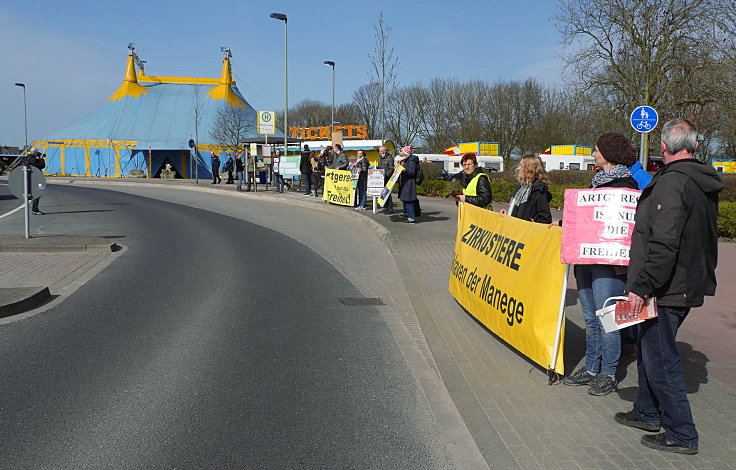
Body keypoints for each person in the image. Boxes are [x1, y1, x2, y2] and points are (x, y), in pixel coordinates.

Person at [614, 119, 722, 455]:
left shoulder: (673, 183)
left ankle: (682, 433)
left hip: (668, 285)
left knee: (661, 358)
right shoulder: (700, 180)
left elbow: (663, 242)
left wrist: (641, 287)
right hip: (685, 280)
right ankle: (647, 412)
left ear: (663, 147)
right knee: (651, 351)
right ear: (696, 146)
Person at [562, 132, 638, 396]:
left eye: (596, 150)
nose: (593, 155)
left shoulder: (628, 186)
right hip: (586, 261)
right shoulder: (596, 184)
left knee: (608, 319)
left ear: (608, 153)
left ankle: (609, 373)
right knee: (590, 318)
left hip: (609, 266)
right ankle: (592, 368)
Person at [500, 154, 552, 223]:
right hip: (514, 230)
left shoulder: (538, 189)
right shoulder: (521, 185)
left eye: (521, 166)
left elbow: (544, 218)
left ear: (529, 169)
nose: (518, 168)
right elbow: (518, 210)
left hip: (526, 232)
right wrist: (508, 213)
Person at [19, 148, 46, 215]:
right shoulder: (34, 160)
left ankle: (34, 208)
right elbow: (42, 165)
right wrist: (41, 158)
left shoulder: (26, 158)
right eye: (37, 152)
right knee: (39, 191)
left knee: (33, 192)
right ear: (35, 153)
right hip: (37, 180)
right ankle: (35, 209)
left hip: (29, 179)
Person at [397, 146, 420, 223]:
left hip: (409, 183)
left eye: (401, 151)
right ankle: (409, 215)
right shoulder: (408, 160)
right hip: (406, 182)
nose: (400, 152)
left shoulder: (411, 160)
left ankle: (411, 217)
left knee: (408, 200)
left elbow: (411, 172)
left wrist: (403, 169)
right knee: (406, 200)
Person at [377, 145, 394, 214]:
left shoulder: (390, 157)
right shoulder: (379, 158)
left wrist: (386, 174)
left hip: (387, 177)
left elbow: (391, 168)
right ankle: (386, 207)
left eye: (383, 150)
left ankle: (390, 209)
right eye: (380, 151)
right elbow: (380, 167)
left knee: (387, 193)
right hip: (381, 178)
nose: (382, 152)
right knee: (383, 193)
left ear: (385, 150)